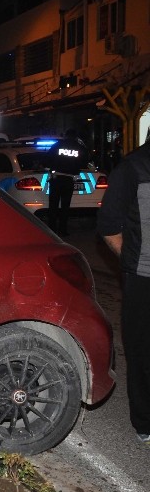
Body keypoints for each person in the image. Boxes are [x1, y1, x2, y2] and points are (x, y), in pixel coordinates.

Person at [97, 142, 150, 444]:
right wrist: (130, 261)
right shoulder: (132, 169)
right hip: (144, 277)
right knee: (143, 353)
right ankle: (145, 421)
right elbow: (108, 225)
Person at [46, 130, 89, 236]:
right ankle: (63, 230)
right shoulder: (79, 147)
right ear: (75, 137)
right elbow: (85, 162)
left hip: (56, 179)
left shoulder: (57, 145)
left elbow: (47, 159)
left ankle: (51, 230)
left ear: (66, 136)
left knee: (53, 206)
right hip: (69, 179)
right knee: (65, 207)